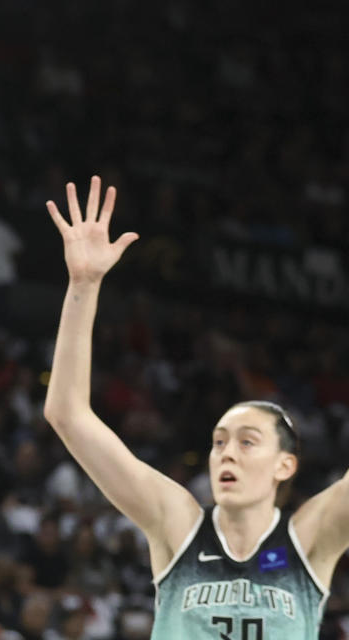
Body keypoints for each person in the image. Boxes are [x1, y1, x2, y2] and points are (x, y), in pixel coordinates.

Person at [43, 176, 349, 638]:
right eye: (219, 442)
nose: (226, 453)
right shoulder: (178, 522)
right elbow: (67, 414)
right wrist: (83, 285)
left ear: (286, 464)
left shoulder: (309, 538)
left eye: (248, 442)